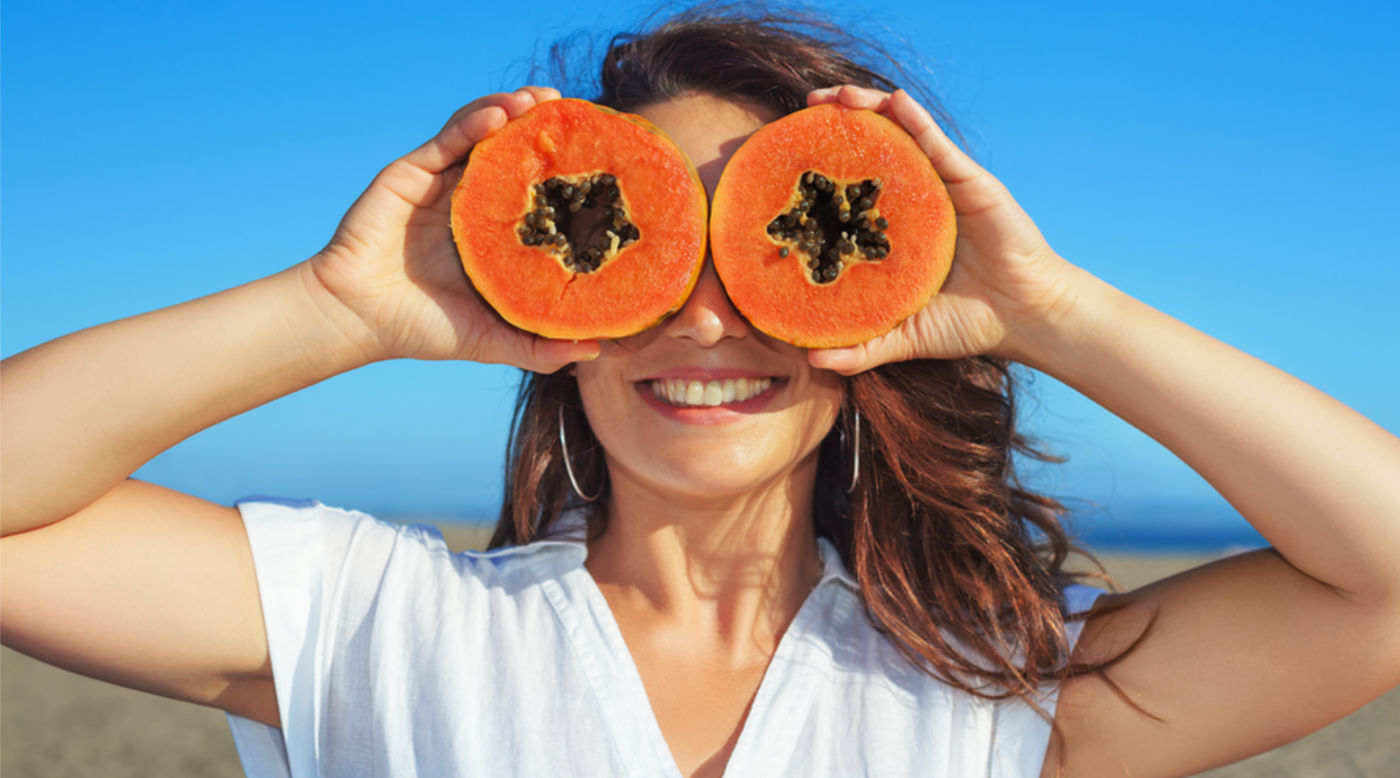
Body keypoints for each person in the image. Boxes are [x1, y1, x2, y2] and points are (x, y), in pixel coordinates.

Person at [3, 7, 1397, 778]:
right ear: (552, 303)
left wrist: (1055, 311)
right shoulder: (381, 625)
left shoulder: (994, 698)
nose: (710, 312)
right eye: (633, 250)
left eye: (779, 248)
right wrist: (337, 310)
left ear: (883, 311)